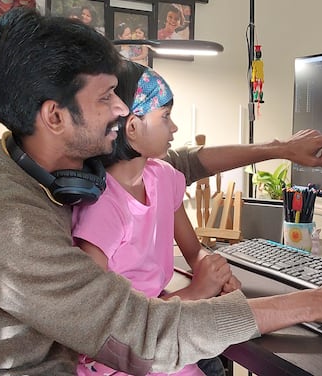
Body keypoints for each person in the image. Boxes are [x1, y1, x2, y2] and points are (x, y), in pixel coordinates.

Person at [0, 7, 322, 375]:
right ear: (54, 116)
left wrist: (282, 148)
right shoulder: (7, 221)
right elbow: (143, 336)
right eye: (105, 98)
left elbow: (182, 165)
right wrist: (315, 302)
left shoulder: (50, 159)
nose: (121, 109)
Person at [72, 61, 241, 376]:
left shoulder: (163, 177)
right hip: (117, 357)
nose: (174, 128)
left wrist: (211, 267)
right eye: (165, 117)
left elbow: (194, 250)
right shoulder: (103, 207)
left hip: (159, 330)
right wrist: (194, 292)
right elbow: (96, 320)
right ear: (133, 127)